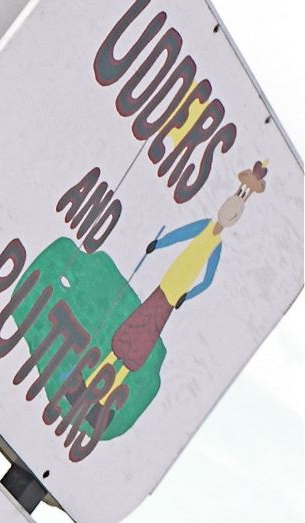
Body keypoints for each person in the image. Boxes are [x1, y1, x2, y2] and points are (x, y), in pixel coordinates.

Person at [87, 161, 267, 402]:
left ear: (235, 218)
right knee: (136, 323)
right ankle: (96, 374)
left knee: (147, 335)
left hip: (174, 295)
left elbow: (208, 279)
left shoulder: (217, 245)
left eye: (234, 213)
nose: (228, 212)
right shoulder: (204, 226)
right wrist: (158, 244)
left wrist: (187, 296)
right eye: (229, 205)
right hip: (165, 284)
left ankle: (110, 389)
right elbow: (180, 235)